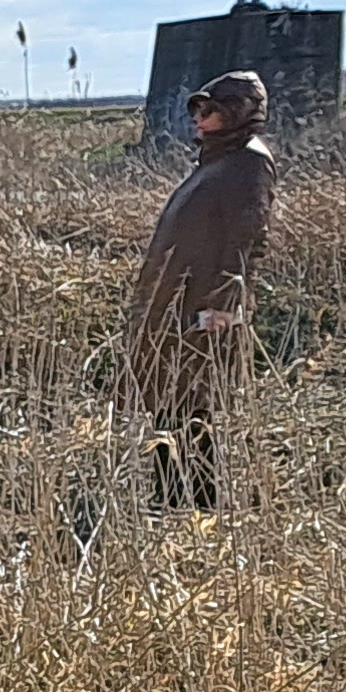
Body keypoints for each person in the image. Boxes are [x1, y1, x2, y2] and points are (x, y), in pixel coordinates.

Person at [118, 69, 275, 506]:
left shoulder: (249, 161)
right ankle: (171, 497)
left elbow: (249, 237)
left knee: (190, 400)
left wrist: (224, 304)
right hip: (176, 300)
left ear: (238, 113)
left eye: (211, 111)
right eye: (198, 110)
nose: (200, 119)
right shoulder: (217, 159)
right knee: (170, 398)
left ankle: (195, 502)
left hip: (202, 308)